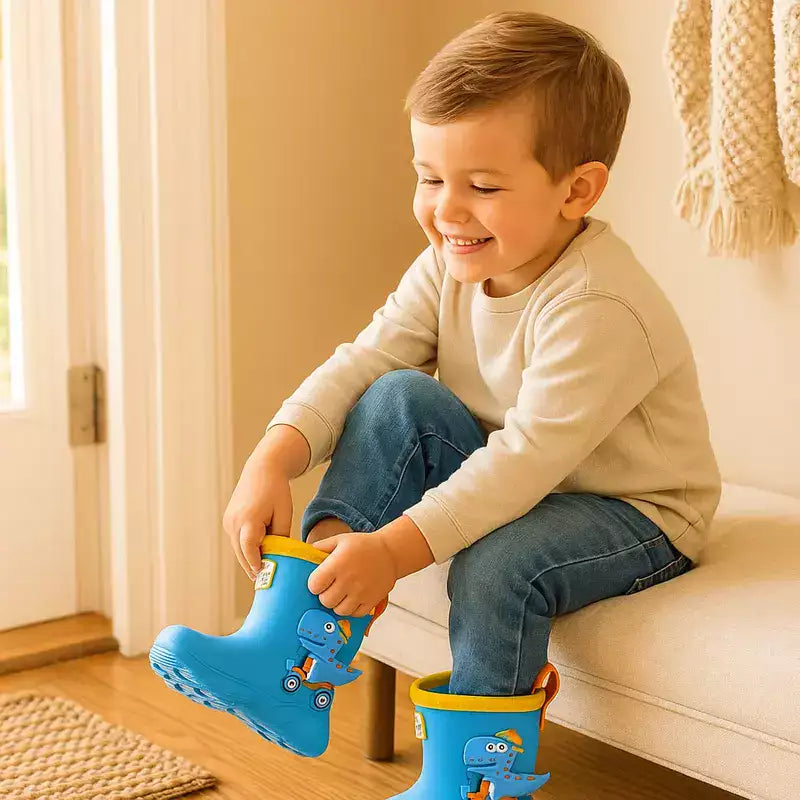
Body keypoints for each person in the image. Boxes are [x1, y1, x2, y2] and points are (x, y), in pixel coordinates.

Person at [223, 10, 721, 702]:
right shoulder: (447, 264)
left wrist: (393, 550)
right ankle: (291, 651)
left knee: (496, 564)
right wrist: (272, 458)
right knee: (395, 395)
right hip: (525, 478)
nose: (446, 211)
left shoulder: (597, 304)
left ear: (577, 190)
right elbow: (366, 360)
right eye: (430, 178)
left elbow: (525, 461)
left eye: (482, 187)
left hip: (634, 513)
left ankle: (473, 755)